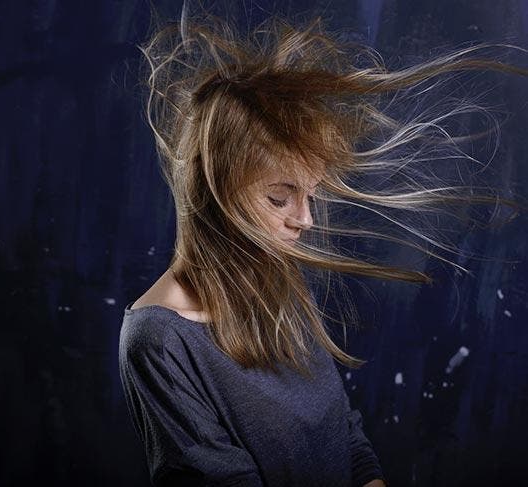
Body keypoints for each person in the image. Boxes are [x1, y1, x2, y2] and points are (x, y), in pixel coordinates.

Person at [118, 6, 527, 487]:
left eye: (310, 196)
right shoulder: (159, 341)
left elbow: (344, 434)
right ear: (216, 189)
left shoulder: (282, 286)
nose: (305, 220)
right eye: (279, 197)